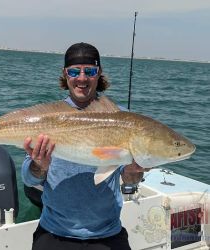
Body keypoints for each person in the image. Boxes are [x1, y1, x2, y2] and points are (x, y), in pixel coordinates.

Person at [21, 42, 147, 250]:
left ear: (99, 74)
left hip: (106, 234)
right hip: (55, 232)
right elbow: (29, 177)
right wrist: (39, 165)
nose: (82, 78)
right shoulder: (50, 118)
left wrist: (135, 172)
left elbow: (130, 179)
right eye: (74, 71)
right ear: (66, 74)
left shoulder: (123, 119)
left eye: (89, 71)